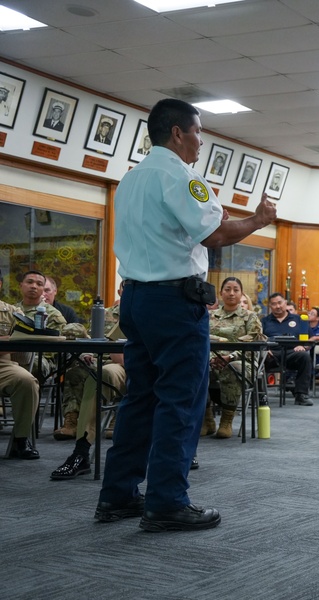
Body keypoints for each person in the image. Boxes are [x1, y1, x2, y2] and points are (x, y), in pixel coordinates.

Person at [95, 98, 277, 532]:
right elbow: (214, 233)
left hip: (136, 300)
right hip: (174, 304)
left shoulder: (132, 178)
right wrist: (258, 219)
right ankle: (166, 501)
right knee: (181, 398)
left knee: (141, 398)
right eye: (197, 132)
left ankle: (118, 495)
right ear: (177, 132)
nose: (200, 141)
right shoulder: (180, 175)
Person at [49, 319, 126, 480]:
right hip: (128, 365)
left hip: (166, 367)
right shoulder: (137, 304)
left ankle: (181, 447)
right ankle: (81, 452)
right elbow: (116, 351)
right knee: (99, 376)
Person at [202, 277, 265, 441]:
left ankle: (226, 421)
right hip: (210, 359)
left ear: (241, 293)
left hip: (242, 362)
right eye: (227, 289)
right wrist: (210, 358)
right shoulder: (209, 316)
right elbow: (200, 339)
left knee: (232, 368)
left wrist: (229, 357)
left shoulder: (250, 317)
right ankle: (206, 420)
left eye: (235, 290)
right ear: (220, 293)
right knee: (197, 369)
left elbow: (252, 342)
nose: (231, 293)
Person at [0, 274, 40, 461]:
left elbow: (25, 351)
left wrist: (15, 341)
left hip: (3, 366)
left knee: (27, 381)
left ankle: (21, 439)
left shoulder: (11, 312)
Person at [261, 293, 314, 406]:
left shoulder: (299, 320)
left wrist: (303, 346)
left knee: (304, 356)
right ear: (270, 306)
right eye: (274, 304)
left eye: (280, 303)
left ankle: (301, 395)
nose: (278, 306)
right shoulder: (264, 321)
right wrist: (264, 349)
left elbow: (310, 339)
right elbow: (258, 338)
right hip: (272, 353)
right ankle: (260, 396)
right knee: (259, 357)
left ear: (285, 303)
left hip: (292, 352)